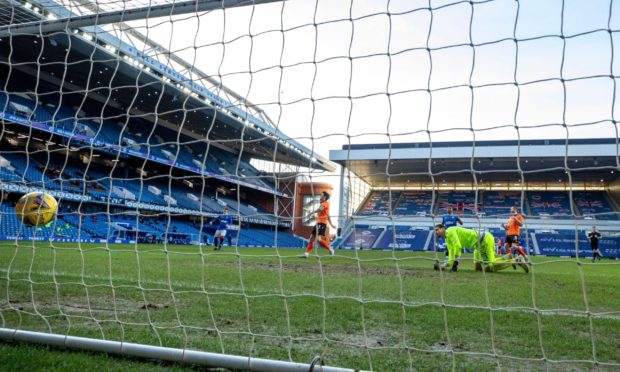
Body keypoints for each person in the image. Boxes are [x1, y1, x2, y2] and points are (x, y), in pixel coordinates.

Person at [433, 224, 528, 273]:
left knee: (490, 267)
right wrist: (443, 266)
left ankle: (517, 260)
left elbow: (458, 247)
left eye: (437, 230)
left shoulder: (450, 231)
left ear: (443, 229)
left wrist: (456, 264)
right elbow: (451, 255)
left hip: (485, 240)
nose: (435, 232)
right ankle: (507, 257)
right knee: (478, 268)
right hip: (477, 246)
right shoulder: (447, 239)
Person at [304, 191, 336, 257]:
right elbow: (328, 215)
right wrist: (331, 224)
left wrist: (311, 213)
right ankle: (306, 253)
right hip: (318, 223)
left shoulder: (325, 203)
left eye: (321, 195)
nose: (320, 196)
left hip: (322, 223)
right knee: (311, 238)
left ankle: (330, 249)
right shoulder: (322, 204)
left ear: (324, 197)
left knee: (318, 239)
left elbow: (320, 209)